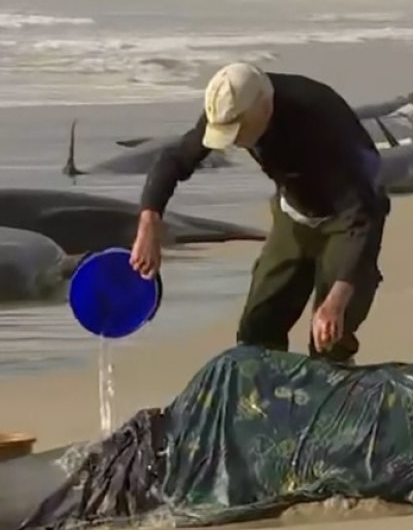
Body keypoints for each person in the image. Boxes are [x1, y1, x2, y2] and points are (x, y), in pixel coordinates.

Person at [130, 62, 390, 364]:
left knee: (329, 339)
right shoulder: (232, 103)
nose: (232, 141)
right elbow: (175, 159)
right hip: (294, 213)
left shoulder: (320, 124)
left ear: (264, 108)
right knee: (256, 333)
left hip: (350, 220)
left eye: (237, 132)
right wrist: (149, 222)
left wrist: (336, 299)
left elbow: (362, 216)